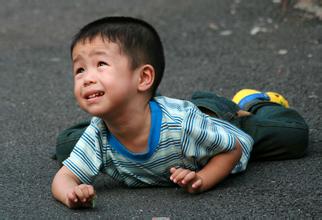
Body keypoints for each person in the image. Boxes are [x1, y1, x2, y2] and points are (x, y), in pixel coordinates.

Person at [51, 16, 308, 209]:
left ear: (143, 78)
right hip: (154, 118)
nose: (86, 78)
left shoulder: (182, 125)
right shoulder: (98, 132)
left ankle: (252, 102)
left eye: (101, 64)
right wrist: (71, 195)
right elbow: (64, 178)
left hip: (220, 126)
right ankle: (126, 113)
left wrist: (203, 178)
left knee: (293, 135)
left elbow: (232, 149)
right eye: (80, 70)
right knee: (65, 146)